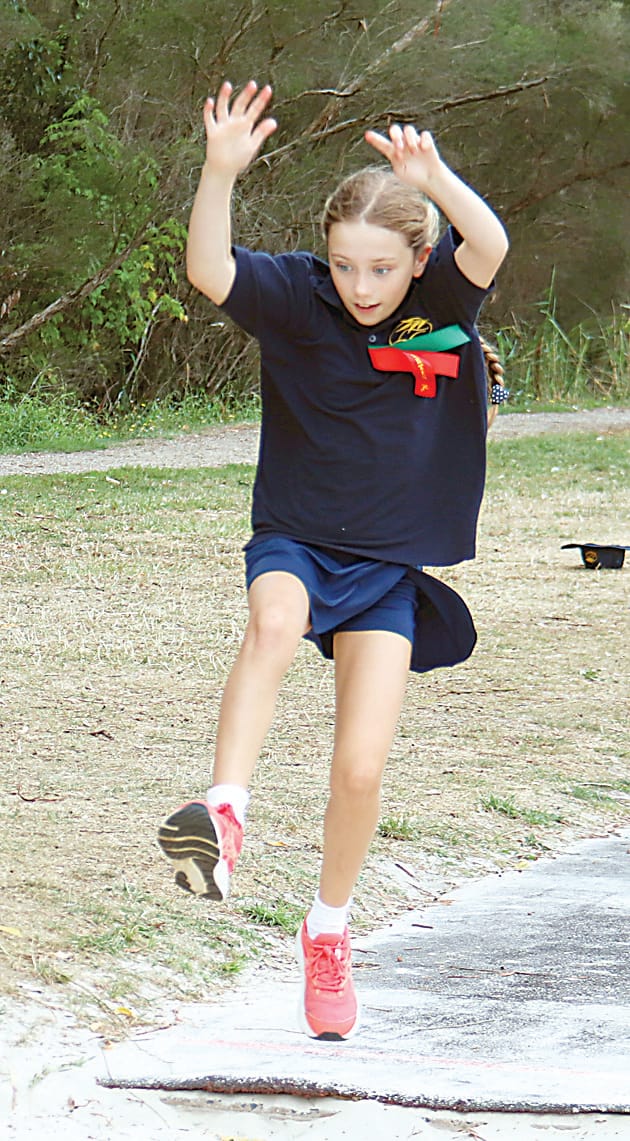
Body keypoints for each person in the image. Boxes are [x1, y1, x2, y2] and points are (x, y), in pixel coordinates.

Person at [158, 79, 508, 1041]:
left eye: (381, 270)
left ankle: (329, 930)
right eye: (347, 265)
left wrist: (434, 178)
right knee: (272, 621)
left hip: (388, 566)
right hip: (297, 538)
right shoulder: (298, 300)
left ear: (416, 261)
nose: (362, 287)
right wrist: (219, 170)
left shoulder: (437, 300)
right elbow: (208, 268)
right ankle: (221, 812)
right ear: (326, 256)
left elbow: (494, 245)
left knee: (359, 770)